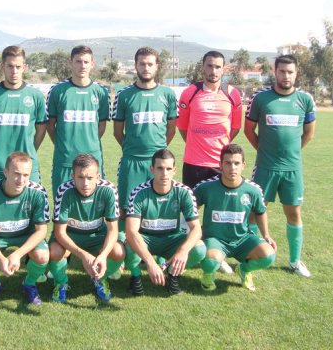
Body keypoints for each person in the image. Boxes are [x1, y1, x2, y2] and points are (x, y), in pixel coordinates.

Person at [244, 54, 316, 278]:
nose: (286, 76)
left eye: (290, 72)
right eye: (282, 71)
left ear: (296, 73)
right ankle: (250, 255)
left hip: (292, 169)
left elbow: (309, 133)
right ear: (274, 72)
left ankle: (294, 261)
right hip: (265, 167)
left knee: (294, 213)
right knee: (254, 213)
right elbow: (248, 130)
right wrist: (264, 151)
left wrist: (291, 153)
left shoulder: (305, 99)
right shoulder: (260, 98)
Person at [176, 50, 242, 274]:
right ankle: (185, 251)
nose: (213, 71)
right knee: (190, 209)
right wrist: (197, 144)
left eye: (217, 67)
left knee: (218, 211)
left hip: (220, 164)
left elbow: (235, 128)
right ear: (202, 67)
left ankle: (217, 254)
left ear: (224, 69)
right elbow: (183, 127)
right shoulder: (190, 93)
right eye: (209, 66)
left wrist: (219, 147)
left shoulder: (232, 94)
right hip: (194, 162)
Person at [195, 143, 276, 292]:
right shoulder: (206, 187)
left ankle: (244, 269)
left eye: (236, 163)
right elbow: (190, 209)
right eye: (228, 163)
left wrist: (266, 235)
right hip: (215, 239)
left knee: (268, 256)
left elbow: (260, 212)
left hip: (242, 239)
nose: (232, 168)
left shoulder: (253, 190)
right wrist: (193, 232)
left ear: (243, 165)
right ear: (220, 165)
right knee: (211, 261)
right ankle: (208, 276)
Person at [124, 149, 206, 296]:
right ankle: (135, 276)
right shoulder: (138, 193)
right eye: (160, 168)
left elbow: (196, 229)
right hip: (146, 239)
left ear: (174, 170)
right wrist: (150, 262)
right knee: (129, 244)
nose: (164, 173)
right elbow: (131, 231)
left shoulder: (184, 192)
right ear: (152, 169)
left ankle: (172, 274)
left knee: (199, 249)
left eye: (168, 169)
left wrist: (182, 251)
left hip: (171, 239)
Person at [0, 152, 50, 305]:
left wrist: (17, 254)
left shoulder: (38, 192)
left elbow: (41, 230)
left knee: (42, 256)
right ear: (6, 172)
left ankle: (29, 284)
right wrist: (0, 258)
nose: (21, 180)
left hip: (26, 235)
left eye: (26, 175)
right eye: (16, 174)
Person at [48, 154, 125, 303]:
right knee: (55, 251)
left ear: (98, 177)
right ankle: (61, 282)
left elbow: (113, 230)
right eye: (80, 177)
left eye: (90, 178)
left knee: (118, 251)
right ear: (73, 177)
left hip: (97, 235)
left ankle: (99, 278)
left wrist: (103, 256)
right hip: (70, 235)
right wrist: (83, 255)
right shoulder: (64, 190)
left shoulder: (109, 190)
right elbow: (59, 232)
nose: (85, 183)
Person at [113, 46, 178, 218]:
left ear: (157, 66)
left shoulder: (168, 94)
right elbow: (117, 132)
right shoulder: (124, 95)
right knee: (126, 210)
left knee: (157, 208)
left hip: (159, 162)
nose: (146, 68)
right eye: (142, 64)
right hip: (131, 161)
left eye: (150, 64)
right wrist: (131, 148)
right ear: (136, 66)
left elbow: (172, 129)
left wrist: (158, 150)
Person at [0, 45, 47, 184]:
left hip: (28, 168)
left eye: (18, 67)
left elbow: (41, 130)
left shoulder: (36, 95)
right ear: (2, 66)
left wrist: (29, 151)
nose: (14, 71)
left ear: (24, 67)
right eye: (10, 66)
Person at [46, 45, 110, 193]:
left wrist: (90, 142)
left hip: (93, 159)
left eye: (86, 62)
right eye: (78, 61)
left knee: (93, 203)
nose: (82, 66)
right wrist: (63, 144)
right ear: (71, 63)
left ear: (92, 64)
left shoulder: (101, 92)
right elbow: (50, 126)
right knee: (62, 202)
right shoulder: (57, 91)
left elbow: (101, 126)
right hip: (65, 160)